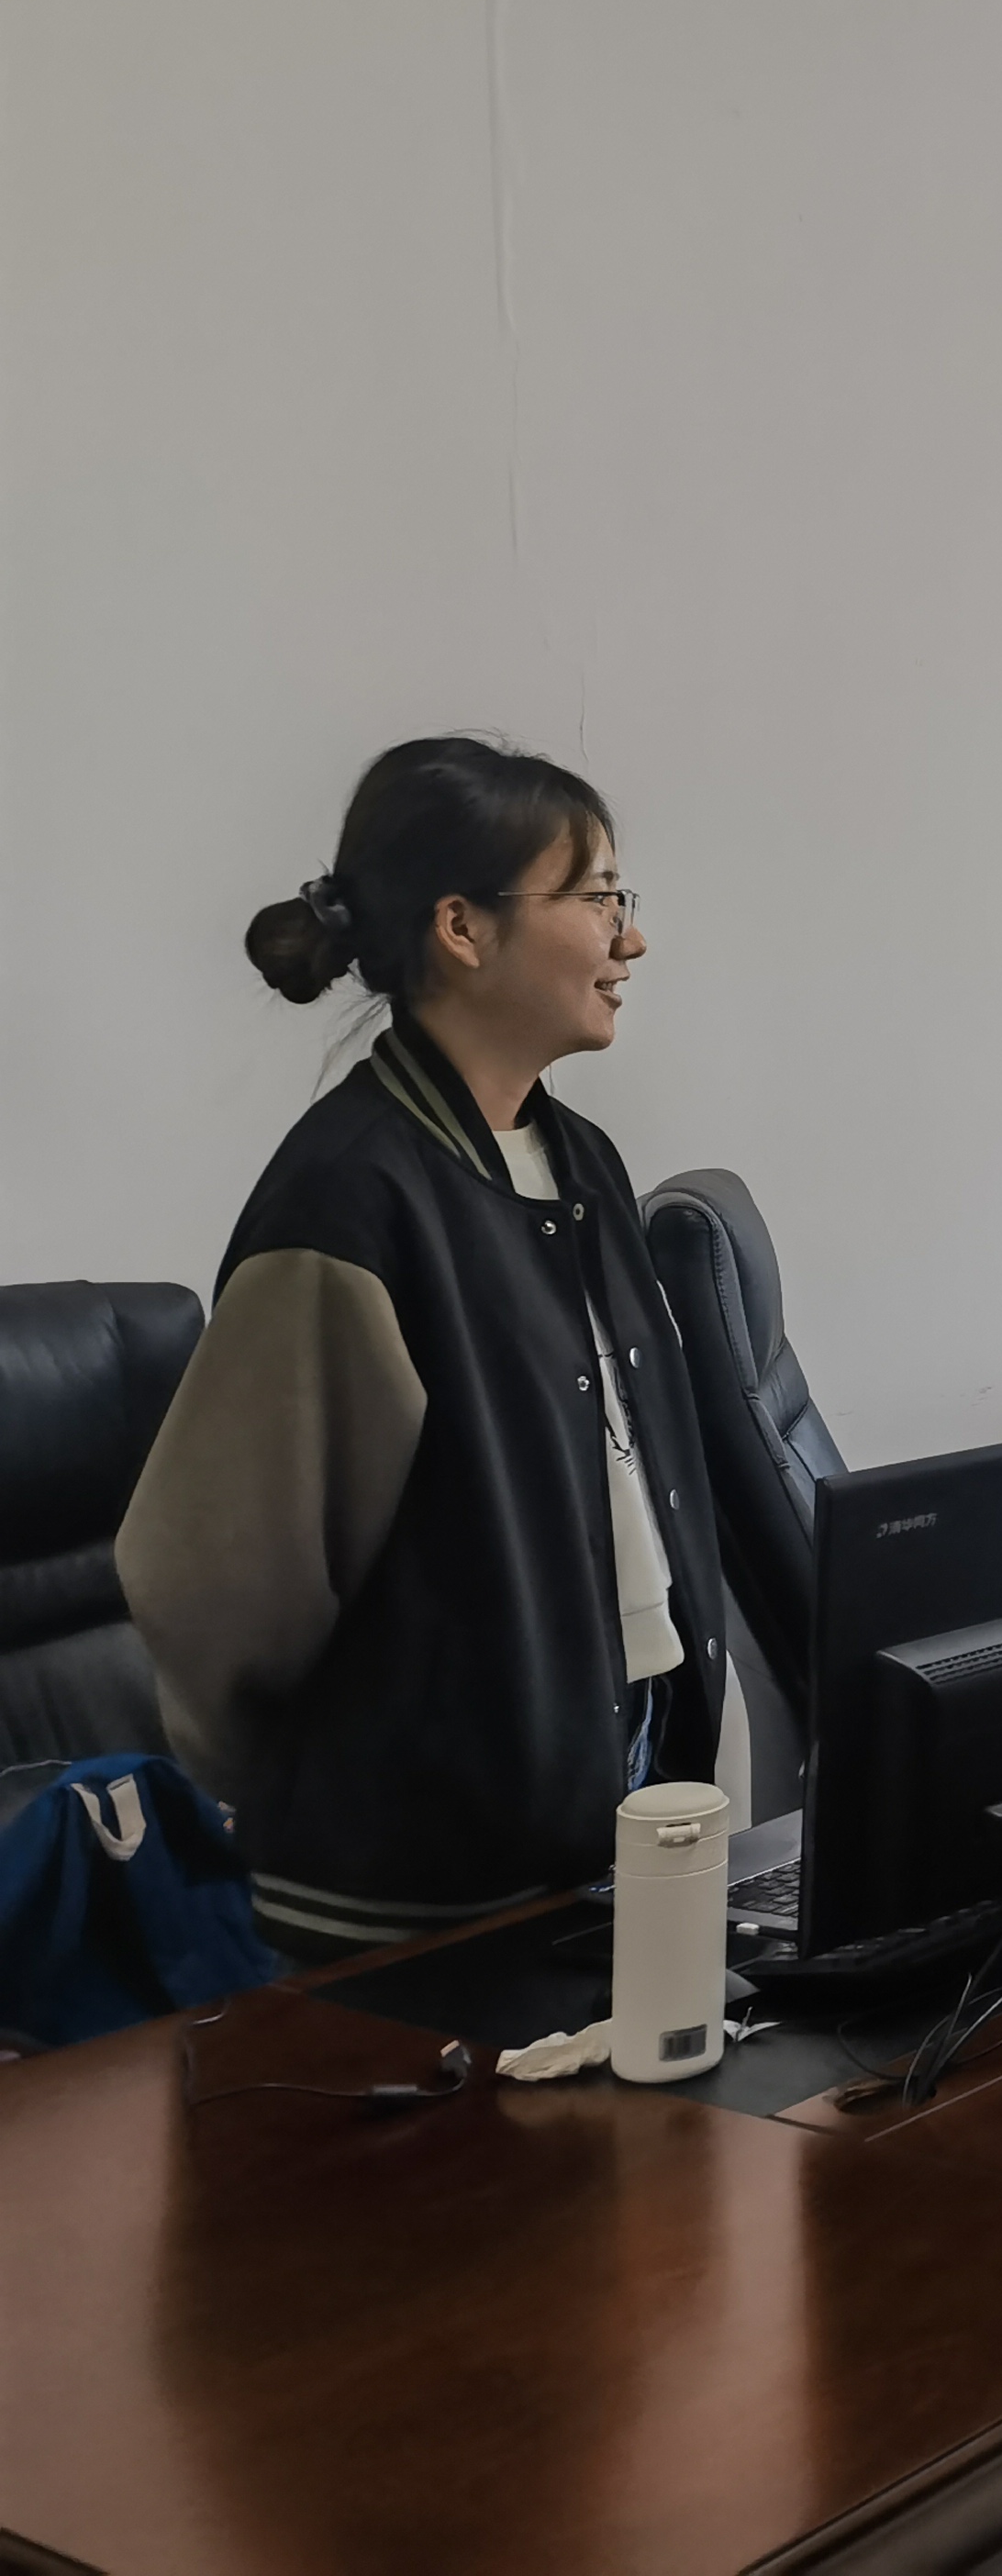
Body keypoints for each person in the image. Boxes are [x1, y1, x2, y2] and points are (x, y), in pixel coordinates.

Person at [118, 737, 740, 1959]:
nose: (632, 939)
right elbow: (215, 1590)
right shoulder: (349, 1201)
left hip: (604, 1802)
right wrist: (349, 1775)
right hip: (413, 1891)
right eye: (598, 897)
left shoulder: (582, 1161)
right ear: (462, 927)